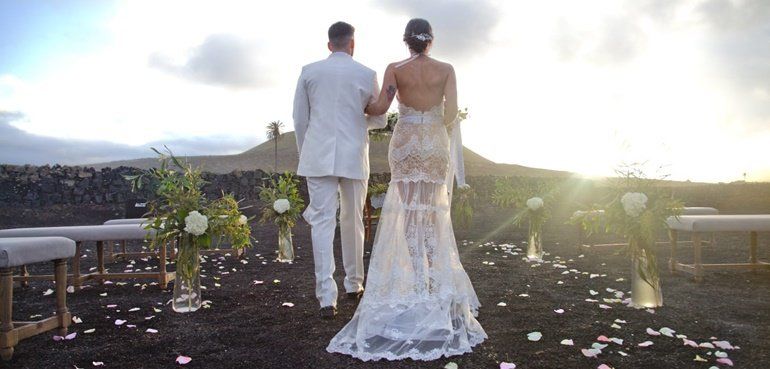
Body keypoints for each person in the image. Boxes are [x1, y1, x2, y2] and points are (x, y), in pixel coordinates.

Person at [327, 18, 487, 361]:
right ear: (431, 41)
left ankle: (416, 281)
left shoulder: (395, 69)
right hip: (434, 145)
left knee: (408, 211)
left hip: (405, 144)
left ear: (406, 41)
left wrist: (355, 109)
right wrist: (432, 125)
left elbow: (381, 107)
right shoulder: (446, 69)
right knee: (432, 214)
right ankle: (430, 283)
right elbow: (452, 113)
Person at [292, 21, 387, 319]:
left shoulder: (309, 71)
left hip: (318, 156)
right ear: (352, 44)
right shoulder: (366, 73)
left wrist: (306, 152)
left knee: (321, 223)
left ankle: (325, 298)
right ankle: (354, 285)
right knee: (353, 220)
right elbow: (380, 119)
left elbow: (299, 119)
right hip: (354, 155)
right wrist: (357, 121)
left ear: (329, 44)